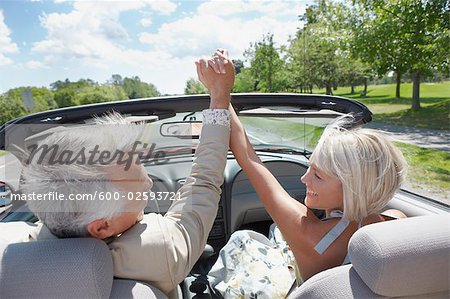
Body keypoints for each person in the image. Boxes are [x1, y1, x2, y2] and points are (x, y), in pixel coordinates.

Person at [0, 55, 235, 298]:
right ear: (102, 226)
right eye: (136, 185)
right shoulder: (158, 251)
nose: (149, 182)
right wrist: (219, 96)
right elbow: (203, 182)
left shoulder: (12, 248)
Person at [202, 50, 408, 298]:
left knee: (242, 239)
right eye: (309, 167)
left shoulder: (310, 235)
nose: (304, 178)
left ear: (354, 188)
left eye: (318, 176)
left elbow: (249, 159)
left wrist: (219, 92)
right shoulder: (396, 221)